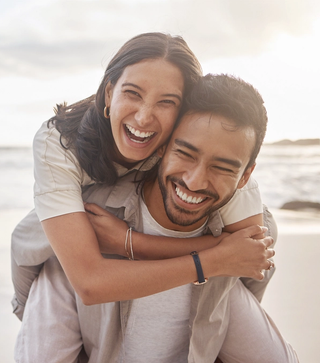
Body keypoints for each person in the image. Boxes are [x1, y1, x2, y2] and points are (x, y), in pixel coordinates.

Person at [14, 74, 298, 362]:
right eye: (185, 153)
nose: (196, 181)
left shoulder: (237, 244)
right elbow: (25, 250)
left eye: (222, 168)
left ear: (245, 176)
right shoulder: (86, 224)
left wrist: (132, 243)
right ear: (161, 146)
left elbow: (255, 266)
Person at [12, 33, 269, 318]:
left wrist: (132, 242)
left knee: (266, 223)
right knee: (35, 241)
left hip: (128, 228)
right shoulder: (58, 142)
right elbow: (89, 282)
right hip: (58, 238)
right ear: (109, 94)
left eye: (167, 102)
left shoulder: (203, 153)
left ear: (184, 111)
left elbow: (251, 248)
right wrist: (210, 261)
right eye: (133, 93)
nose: (144, 118)